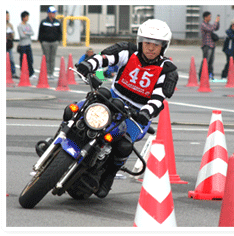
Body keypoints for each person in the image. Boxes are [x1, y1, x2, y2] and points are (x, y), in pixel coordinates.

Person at [77, 19, 178, 198]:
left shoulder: (167, 70)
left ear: (164, 46)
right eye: (147, 43)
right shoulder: (127, 51)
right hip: (112, 99)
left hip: (137, 113)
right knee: (76, 109)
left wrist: (146, 113)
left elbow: (159, 98)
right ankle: (59, 140)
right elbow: (104, 58)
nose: (151, 48)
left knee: (124, 146)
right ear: (140, 41)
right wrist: (88, 65)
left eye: (156, 44)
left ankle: (108, 177)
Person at [38, 6, 62, 80]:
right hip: (45, 42)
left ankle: (51, 73)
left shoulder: (57, 22)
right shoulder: (44, 22)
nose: (53, 14)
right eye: (51, 13)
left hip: (54, 42)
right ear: (48, 13)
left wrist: (58, 40)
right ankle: (47, 72)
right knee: (46, 58)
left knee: (52, 58)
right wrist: (41, 41)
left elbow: (60, 32)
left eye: (54, 13)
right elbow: (40, 32)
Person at [199, 11, 220, 80]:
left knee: (211, 62)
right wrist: (215, 22)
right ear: (206, 17)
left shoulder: (209, 24)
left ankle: (210, 75)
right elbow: (211, 29)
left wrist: (217, 22)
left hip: (212, 45)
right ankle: (201, 76)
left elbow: (216, 28)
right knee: (205, 61)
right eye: (209, 17)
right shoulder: (203, 24)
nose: (210, 18)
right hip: (206, 45)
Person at [17, 11, 36, 79]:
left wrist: (26, 33)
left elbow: (32, 33)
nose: (27, 18)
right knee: (23, 60)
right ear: (23, 17)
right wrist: (28, 34)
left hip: (28, 44)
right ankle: (23, 73)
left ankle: (31, 73)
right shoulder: (20, 26)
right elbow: (22, 35)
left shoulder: (28, 25)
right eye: (26, 17)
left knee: (30, 59)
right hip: (22, 45)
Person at [6, 11, 19, 79]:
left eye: (8, 16)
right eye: (6, 16)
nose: (7, 17)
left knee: (11, 59)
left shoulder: (10, 25)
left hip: (9, 44)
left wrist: (11, 35)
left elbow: (13, 35)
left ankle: (13, 73)